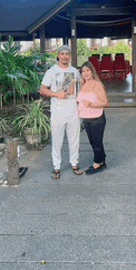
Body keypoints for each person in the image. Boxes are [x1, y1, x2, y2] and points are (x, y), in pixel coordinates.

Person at [40, 45, 83, 179]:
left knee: (74, 139)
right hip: (57, 111)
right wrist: (57, 94)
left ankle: (74, 163)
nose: (65, 57)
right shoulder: (51, 71)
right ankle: (56, 166)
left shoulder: (75, 71)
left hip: (72, 110)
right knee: (57, 140)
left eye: (67, 54)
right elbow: (43, 89)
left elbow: (81, 89)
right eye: (62, 54)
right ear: (58, 55)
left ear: (70, 56)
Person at [77, 61, 108, 175]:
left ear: (92, 71)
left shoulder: (97, 84)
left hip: (97, 118)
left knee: (96, 141)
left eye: (87, 70)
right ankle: (102, 159)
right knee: (92, 141)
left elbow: (105, 102)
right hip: (86, 118)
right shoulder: (83, 85)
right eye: (83, 71)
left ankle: (97, 162)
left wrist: (91, 104)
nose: (85, 73)